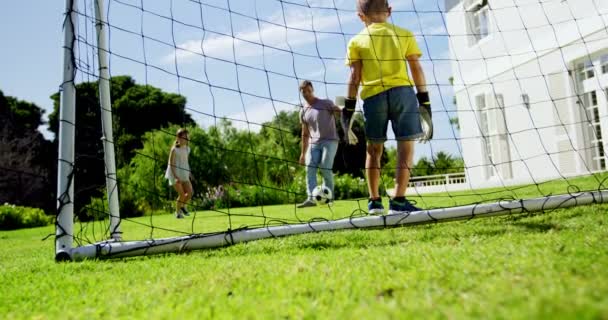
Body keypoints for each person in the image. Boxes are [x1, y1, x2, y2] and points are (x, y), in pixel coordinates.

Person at [342, 0, 433, 215]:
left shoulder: (356, 40)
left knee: (373, 149)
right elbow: (416, 68)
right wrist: (425, 102)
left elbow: (355, 76)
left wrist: (348, 110)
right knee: (406, 146)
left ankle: (374, 201)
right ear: (389, 11)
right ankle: (399, 200)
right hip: (403, 93)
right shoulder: (404, 34)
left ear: (360, 16)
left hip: (373, 97)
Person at [297, 80, 341, 208]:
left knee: (325, 167)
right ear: (301, 93)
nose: (306, 93)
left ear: (313, 90)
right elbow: (304, 134)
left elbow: (339, 114)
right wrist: (302, 153)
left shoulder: (326, 103)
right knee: (310, 167)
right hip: (313, 143)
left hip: (330, 140)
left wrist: (340, 110)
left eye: (308, 91)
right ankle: (311, 198)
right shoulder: (303, 111)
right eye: (304, 92)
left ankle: (329, 197)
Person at [165, 128, 194, 219]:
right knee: (181, 194)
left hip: (184, 173)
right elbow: (171, 164)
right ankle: (177, 213)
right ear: (178, 138)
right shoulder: (174, 150)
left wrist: (189, 173)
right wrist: (176, 177)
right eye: (184, 137)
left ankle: (183, 206)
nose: (186, 138)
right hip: (174, 174)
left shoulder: (187, 149)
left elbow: (186, 162)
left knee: (190, 193)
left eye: (187, 137)